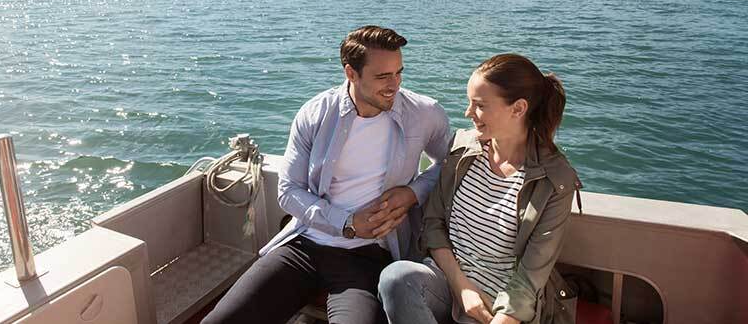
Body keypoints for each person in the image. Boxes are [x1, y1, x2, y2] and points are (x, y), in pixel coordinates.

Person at [201, 25, 451, 324]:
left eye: (399, 73)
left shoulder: (424, 113)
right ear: (351, 73)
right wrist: (346, 223)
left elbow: (450, 164)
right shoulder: (315, 113)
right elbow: (288, 190)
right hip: (304, 245)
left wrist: (413, 192)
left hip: (368, 257)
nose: (394, 85)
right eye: (383, 76)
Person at [378, 53, 582, 324]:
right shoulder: (462, 149)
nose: (468, 113)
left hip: (500, 305)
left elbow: (530, 279)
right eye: (469, 103)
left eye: (480, 105)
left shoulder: (554, 180)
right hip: (448, 281)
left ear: (518, 108)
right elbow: (434, 225)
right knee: (396, 278)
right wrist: (463, 288)